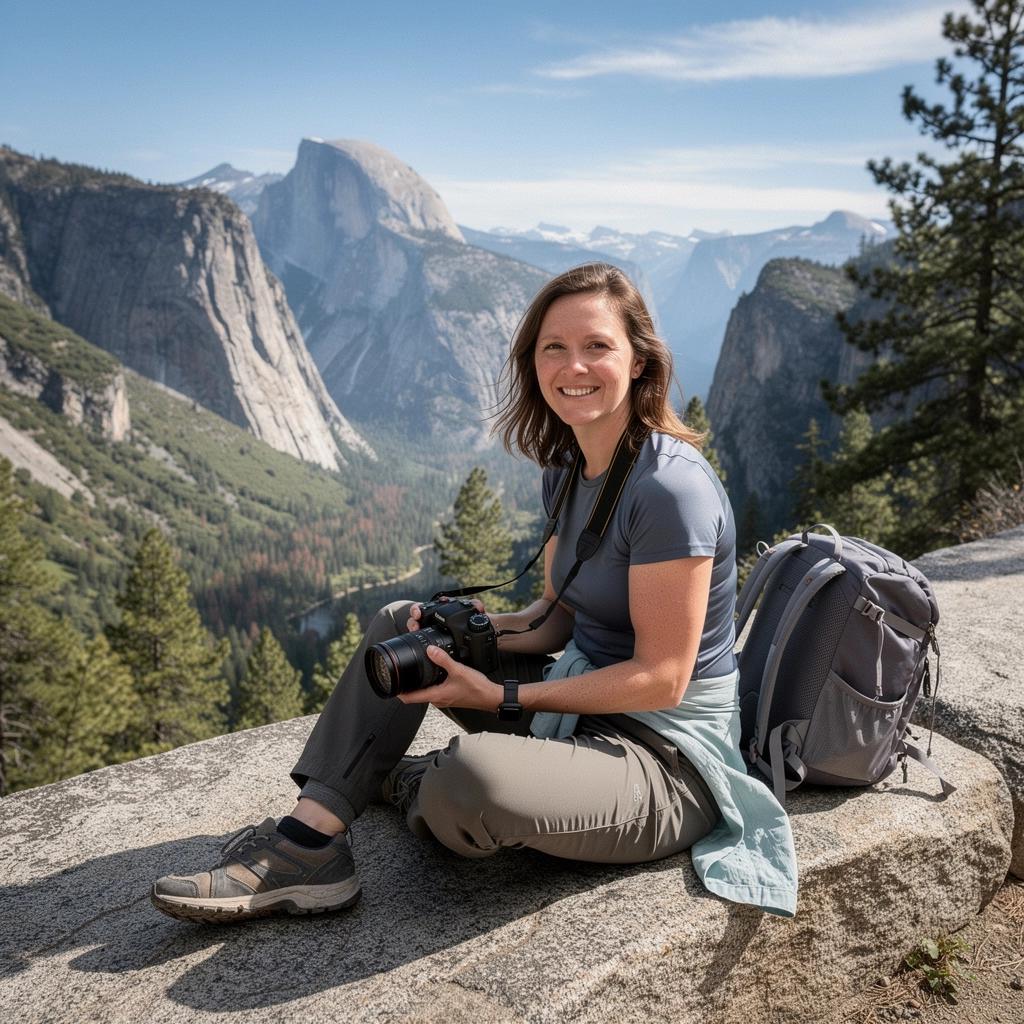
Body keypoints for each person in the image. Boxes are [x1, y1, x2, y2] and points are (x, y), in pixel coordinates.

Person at [151, 263, 798, 923]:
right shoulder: (567, 471)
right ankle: (309, 845)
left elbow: (662, 678)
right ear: (534, 363)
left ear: (638, 361)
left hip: (663, 758)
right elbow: (555, 620)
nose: (574, 365)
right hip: (577, 709)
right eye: (555, 348)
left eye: (597, 345)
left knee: (471, 779)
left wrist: (502, 696)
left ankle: (409, 779)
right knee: (398, 626)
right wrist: (462, 630)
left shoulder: (671, 489)